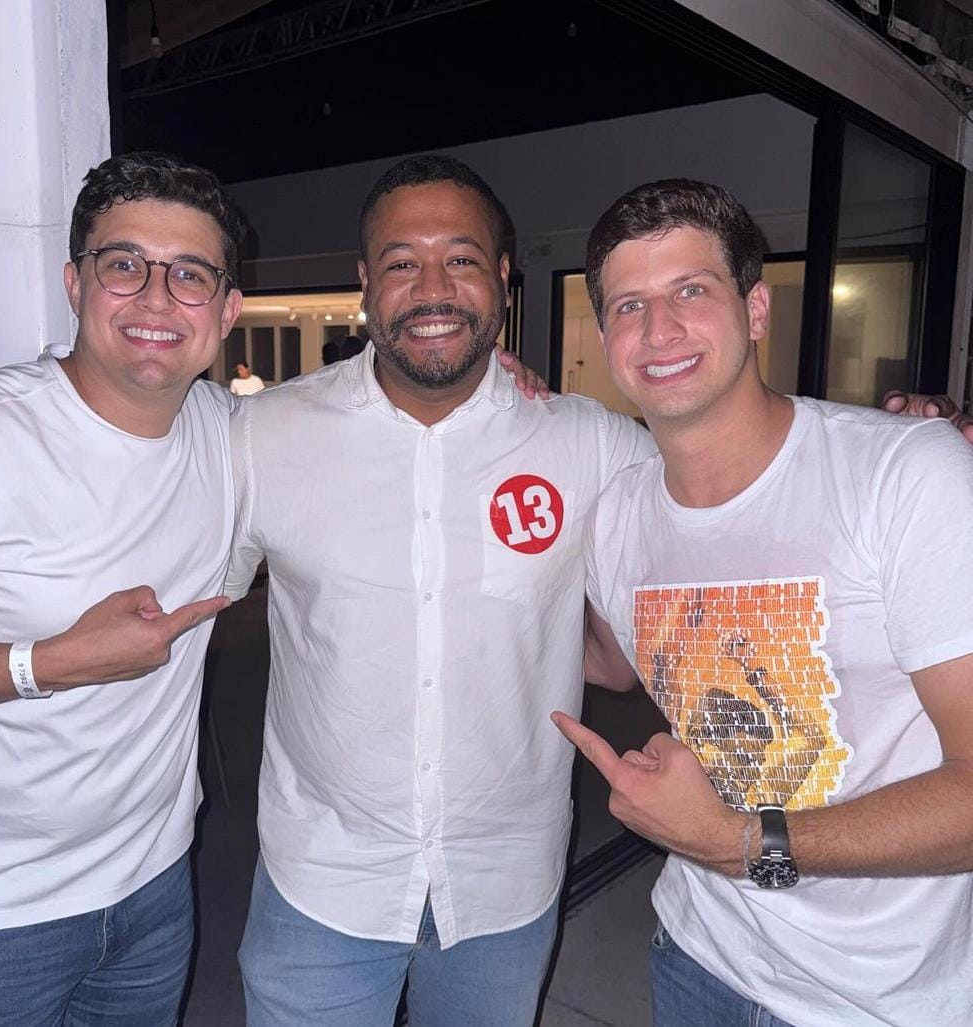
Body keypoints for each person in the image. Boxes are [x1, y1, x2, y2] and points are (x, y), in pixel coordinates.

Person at [225, 154, 656, 1026]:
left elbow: (736, 505)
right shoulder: (262, 435)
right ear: (364, 284)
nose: (431, 287)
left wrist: (890, 439)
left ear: (501, 279)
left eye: (460, 258)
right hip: (322, 883)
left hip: (504, 887)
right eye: (400, 262)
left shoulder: (588, 442)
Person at [555, 179, 973, 1026]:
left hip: (874, 998)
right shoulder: (618, 517)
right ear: (604, 336)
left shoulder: (903, 475)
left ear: (754, 308)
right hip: (695, 951)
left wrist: (738, 844)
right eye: (629, 304)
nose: (658, 329)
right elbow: (617, 663)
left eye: (690, 291)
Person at [0, 151, 245, 1025]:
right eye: (124, 264)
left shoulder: (232, 436)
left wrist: (495, 381)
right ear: (76, 284)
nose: (157, 298)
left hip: (157, 888)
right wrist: (47, 662)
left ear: (228, 309)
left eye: (190, 274)